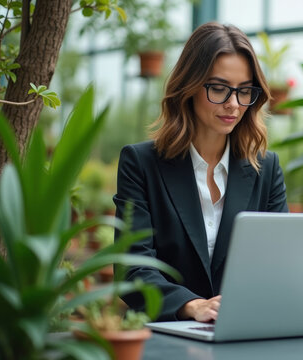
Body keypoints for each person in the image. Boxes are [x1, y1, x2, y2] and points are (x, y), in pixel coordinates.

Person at [113, 22, 288, 323]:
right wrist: (191, 306)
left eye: (244, 91)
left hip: (243, 330)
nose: (233, 104)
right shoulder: (141, 163)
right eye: (219, 89)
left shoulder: (266, 168)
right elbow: (132, 266)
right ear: (190, 86)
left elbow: (281, 261)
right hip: (166, 334)